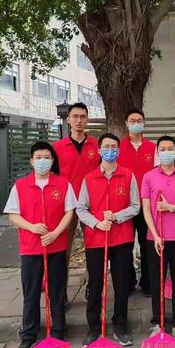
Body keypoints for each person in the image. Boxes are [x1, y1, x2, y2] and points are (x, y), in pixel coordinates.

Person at [4, 141, 76, 348]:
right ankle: (28, 335)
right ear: (32, 161)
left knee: (56, 290)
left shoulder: (63, 184)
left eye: (47, 157)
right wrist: (32, 227)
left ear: (52, 161)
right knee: (31, 292)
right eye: (39, 157)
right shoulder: (21, 186)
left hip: (56, 246)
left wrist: (55, 233)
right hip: (30, 248)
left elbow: (69, 211)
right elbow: (13, 215)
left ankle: (58, 330)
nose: (43, 161)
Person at [77, 132, 140, 347]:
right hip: (96, 239)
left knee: (121, 284)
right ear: (100, 150)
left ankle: (120, 324)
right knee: (96, 284)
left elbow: (135, 206)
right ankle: (94, 326)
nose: (110, 150)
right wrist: (96, 223)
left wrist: (116, 216)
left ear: (119, 150)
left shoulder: (128, 175)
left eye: (114, 146)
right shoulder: (89, 178)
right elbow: (81, 208)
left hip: (121, 238)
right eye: (106, 146)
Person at [142, 135, 175, 343]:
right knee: (156, 283)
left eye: (170, 148)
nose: (166, 152)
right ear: (157, 152)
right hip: (156, 239)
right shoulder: (148, 177)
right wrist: (155, 235)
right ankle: (158, 322)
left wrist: (170, 207)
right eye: (162, 149)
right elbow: (146, 210)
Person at [53, 102, 100, 301]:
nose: (79, 120)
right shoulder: (57, 147)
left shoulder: (97, 145)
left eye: (83, 116)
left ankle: (92, 286)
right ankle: (60, 290)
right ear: (68, 119)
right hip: (67, 205)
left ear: (87, 119)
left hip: (92, 204)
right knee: (63, 249)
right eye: (75, 116)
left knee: (93, 248)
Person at [117, 108, 157, 296]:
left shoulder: (152, 147)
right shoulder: (117, 147)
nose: (136, 123)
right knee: (124, 245)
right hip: (123, 204)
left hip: (147, 204)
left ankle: (148, 282)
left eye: (139, 120)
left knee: (147, 242)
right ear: (126, 123)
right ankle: (127, 281)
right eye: (132, 120)